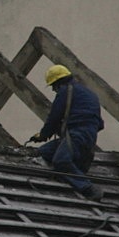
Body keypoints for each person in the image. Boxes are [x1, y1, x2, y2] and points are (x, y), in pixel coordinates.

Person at [28, 64, 105, 200]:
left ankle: (88, 189)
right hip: (87, 136)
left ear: (58, 83)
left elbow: (54, 117)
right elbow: (100, 123)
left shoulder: (65, 92)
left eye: (53, 86)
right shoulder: (89, 94)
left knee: (61, 160)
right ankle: (67, 175)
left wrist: (43, 135)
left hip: (77, 134)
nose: (53, 90)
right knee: (44, 152)